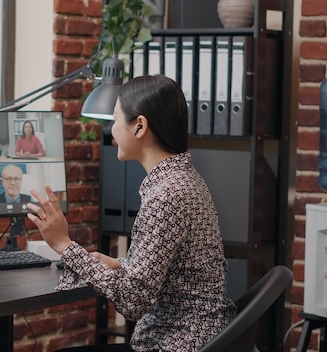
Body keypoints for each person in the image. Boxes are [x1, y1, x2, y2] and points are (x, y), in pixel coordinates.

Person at [26, 75, 237, 352]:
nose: (111, 130)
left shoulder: (166, 195)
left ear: (139, 126)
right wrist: (122, 265)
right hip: (200, 337)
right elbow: (169, 269)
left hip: (176, 343)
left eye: (114, 119)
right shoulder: (183, 179)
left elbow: (133, 301)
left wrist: (64, 245)